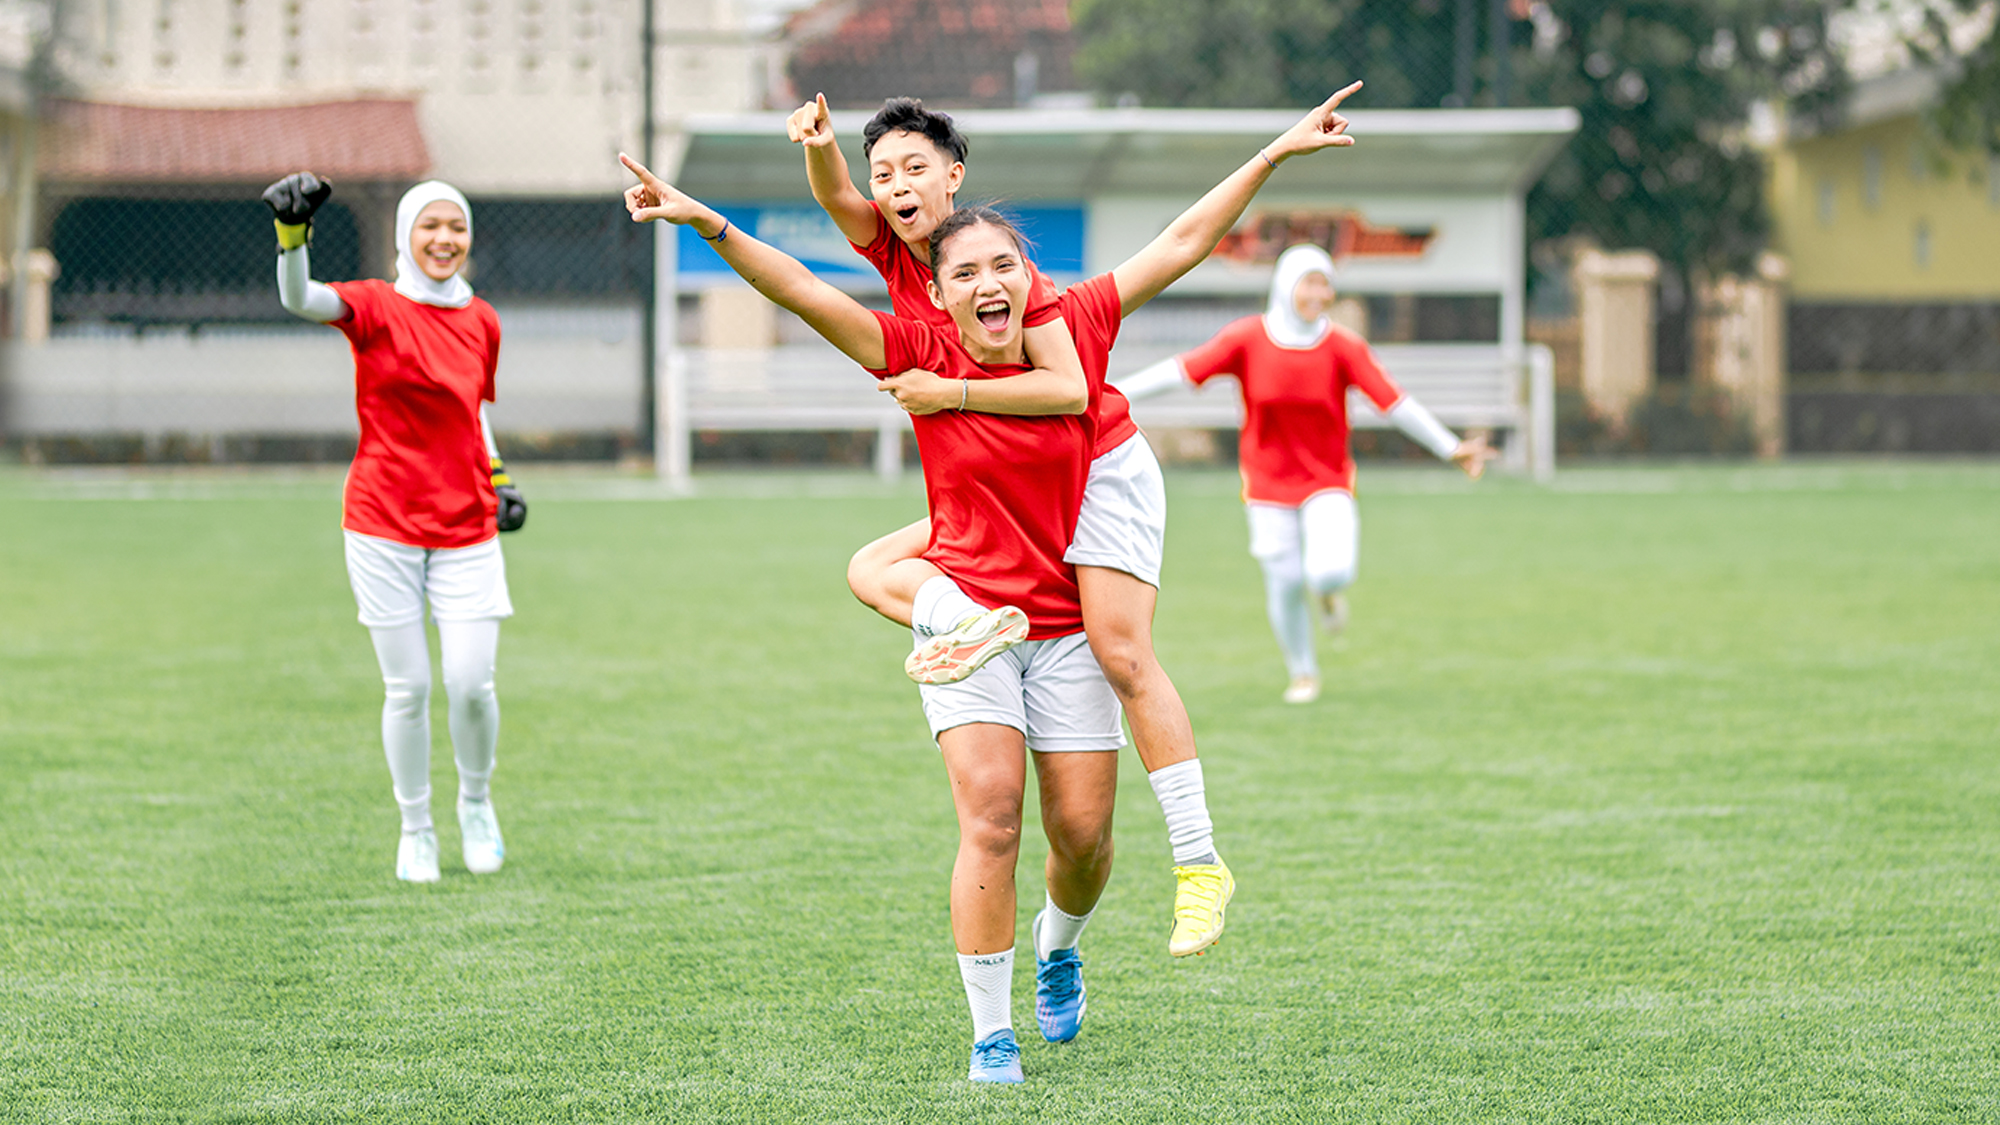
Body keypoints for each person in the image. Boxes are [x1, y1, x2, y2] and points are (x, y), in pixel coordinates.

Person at [621, 82, 1358, 1083]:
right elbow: (800, 281)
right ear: (937, 285)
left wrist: (1271, 153)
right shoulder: (907, 314)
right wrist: (707, 217)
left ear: (1022, 269)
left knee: (1086, 825)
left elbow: (1180, 244)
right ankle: (989, 1031)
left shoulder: (1066, 324)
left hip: (1077, 534)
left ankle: (1092, 924)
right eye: (962, 270)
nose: (980, 280)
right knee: (988, 805)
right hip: (984, 578)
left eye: (1001, 265)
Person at [786, 93, 1235, 958]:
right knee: (870, 566)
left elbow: (1068, 389)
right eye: (884, 174)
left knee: (1121, 654)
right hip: (1004, 483)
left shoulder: (1007, 276)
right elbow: (836, 200)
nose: (896, 186)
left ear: (954, 176)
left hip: (1092, 467)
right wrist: (818, 145)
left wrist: (947, 392)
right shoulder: (894, 248)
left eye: (915, 168)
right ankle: (964, 623)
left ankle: (1197, 859)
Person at [262, 173, 526, 883]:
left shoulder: (483, 319)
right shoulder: (376, 306)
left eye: (456, 227)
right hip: (381, 522)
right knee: (407, 688)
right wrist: (293, 237)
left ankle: (476, 804)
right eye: (429, 225)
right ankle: (416, 829)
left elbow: (474, 410)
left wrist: (500, 477)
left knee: (471, 683)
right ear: (405, 236)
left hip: (467, 522)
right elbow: (300, 298)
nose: (444, 239)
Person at [1116, 243, 1493, 704]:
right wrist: (1110, 392)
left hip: (1327, 479)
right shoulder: (1247, 338)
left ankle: (1329, 594)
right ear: (1285, 285)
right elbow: (1179, 371)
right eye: (1309, 283)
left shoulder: (1342, 346)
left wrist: (1450, 447)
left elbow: (1394, 402)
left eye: (1325, 284)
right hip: (1266, 483)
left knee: (1329, 571)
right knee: (1285, 582)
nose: (1319, 294)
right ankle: (1303, 672)